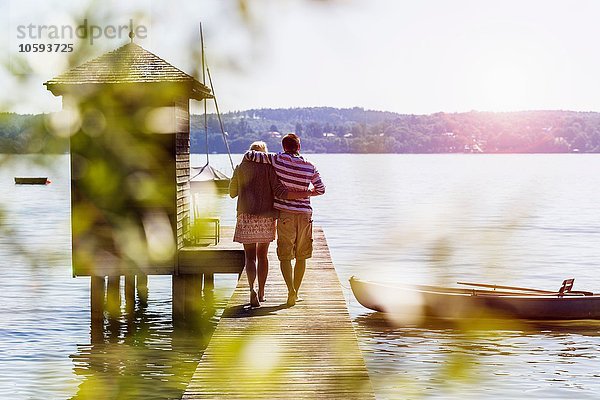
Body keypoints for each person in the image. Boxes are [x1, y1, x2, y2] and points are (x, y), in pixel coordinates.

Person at [244, 133, 325, 306]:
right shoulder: (310, 166)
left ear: (283, 147)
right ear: (299, 147)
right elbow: (321, 189)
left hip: (285, 214)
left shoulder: (276, 159)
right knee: (301, 256)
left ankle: (290, 290)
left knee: (285, 256)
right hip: (304, 215)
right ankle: (295, 292)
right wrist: (307, 193)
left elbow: (249, 155)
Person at [229, 141, 311, 308]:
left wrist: (237, 178)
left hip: (246, 216)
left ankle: (251, 290)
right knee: (262, 256)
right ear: (265, 154)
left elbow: (232, 193)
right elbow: (279, 191)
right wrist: (303, 194)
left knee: (250, 257)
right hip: (266, 217)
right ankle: (261, 292)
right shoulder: (270, 169)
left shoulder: (241, 167)